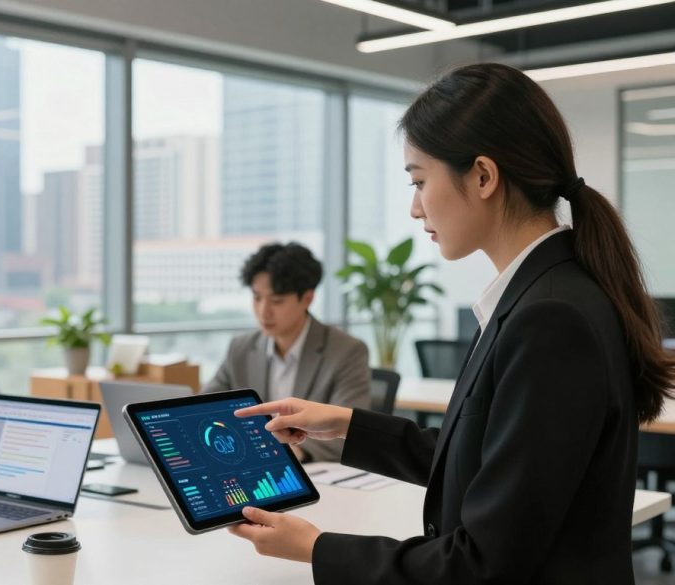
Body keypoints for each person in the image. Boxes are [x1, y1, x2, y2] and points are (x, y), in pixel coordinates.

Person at [227, 63, 675, 584]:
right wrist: (347, 425)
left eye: (419, 181)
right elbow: (483, 457)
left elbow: (483, 563)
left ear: (483, 176)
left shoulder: (550, 318)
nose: (416, 208)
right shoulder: (542, 293)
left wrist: (318, 548)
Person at [204, 242, 370, 463]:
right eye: (257, 297)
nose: (264, 311)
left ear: (307, 298)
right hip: (247, 463)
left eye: (277, 301)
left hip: (312, 473)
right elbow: (207, 411)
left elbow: (349, 431)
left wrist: (289, 452)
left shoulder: (346, 351)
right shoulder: (241, 348)